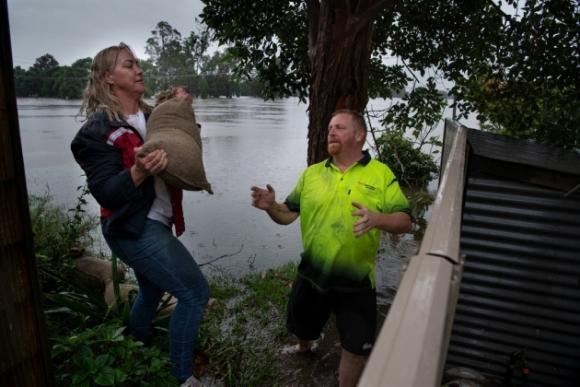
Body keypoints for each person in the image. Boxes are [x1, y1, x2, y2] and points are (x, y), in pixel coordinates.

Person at [70, 43, 208, 387]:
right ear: (108, 78)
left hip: (157, 219)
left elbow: (185, 143)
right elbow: (106, 192)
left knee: (149, 293)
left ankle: (138, 349)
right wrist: (139, 171)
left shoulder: (152, 117)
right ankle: (183, 377)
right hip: (131, 228)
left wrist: (181, 108)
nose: (138, 69)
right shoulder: (97, 132)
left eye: (138, 64)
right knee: (194, 293)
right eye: (129, 65)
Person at [251, 109, 412, 387]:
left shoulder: (380, 174)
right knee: (303, 326)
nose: (331, 132)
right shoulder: (312, 174)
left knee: (355, 348)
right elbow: (288, 214)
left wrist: (378, 218)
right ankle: (304, 348)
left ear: (359, 135)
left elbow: (405, 221)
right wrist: (271, 208)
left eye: (339, 127)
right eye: (329, 128)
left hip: (357, 280)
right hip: (313, 272)